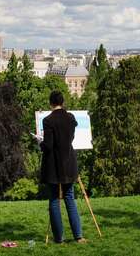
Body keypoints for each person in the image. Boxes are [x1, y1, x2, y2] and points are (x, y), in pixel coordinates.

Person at [39, 90, 86, 243]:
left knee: (54, 200)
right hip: (69, 162)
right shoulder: (71, 118)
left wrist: (40, 143)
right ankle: (78, 236)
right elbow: (70, 138)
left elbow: (48, 145)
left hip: (54, 165)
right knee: (69, 198)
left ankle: (59, 238)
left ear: (50, 103)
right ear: (63, 102)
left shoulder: (48, 120)